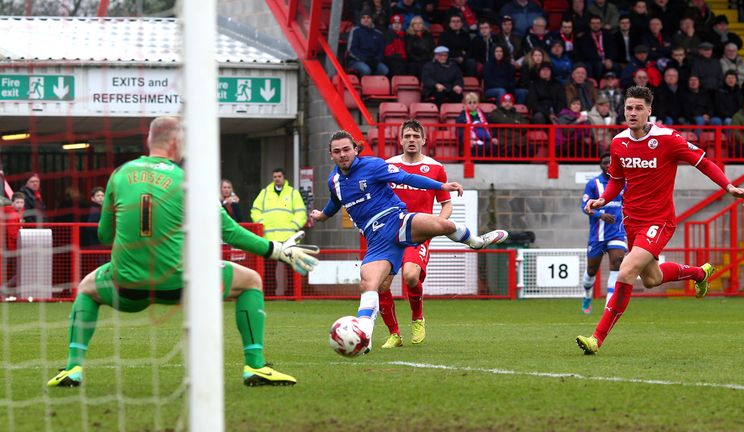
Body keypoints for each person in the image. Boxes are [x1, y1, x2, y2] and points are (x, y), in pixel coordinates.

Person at [47, 117, 320, 388]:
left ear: (148, 141)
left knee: (86, 289)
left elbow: (104, 235)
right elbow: (229, 232)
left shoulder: (119, 175)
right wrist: (276, 250)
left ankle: (72, 369)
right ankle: (255, 366)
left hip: (127, 286)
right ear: (178, 143)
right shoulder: (188, 181)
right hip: (180, 285)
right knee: (251, 281)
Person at [575, 86, 744, 354]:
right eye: (628, 108)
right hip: (631, 221)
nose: (632, 113)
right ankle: (700, 272)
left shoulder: (668, 139)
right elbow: (617, 180)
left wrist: (728, 186)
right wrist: (602, 199)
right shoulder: (619, 142)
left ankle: (596, 338)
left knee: (626, 271)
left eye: (638, 108)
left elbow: (702, 162)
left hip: (659, 220)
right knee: (651, 279)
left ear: (649, 111)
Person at [310, 130, 508, 353]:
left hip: (398, 221)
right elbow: (335, 203)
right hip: (377, 240)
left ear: (355, 149)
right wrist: (322, 216)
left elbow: (405, 177)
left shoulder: (374, 166)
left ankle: (476, 241)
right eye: (337, 151)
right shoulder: (334, 180)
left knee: (442, 226)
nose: (343, 154)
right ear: (331, 155)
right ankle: (365, 336)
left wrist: (440, 186)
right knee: (370, 285)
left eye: (347, 149)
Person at [377, 120, 453, 348]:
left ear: (423, 140)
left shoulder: (435, 168)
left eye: (415, 136)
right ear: (400, 140)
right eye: (407, 136)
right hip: (389, 233)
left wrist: (437, 224)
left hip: (417, 233)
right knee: (381, 284)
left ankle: (417, 317)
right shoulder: (387, 166)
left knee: (410, 276)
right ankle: (394, 334)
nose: (411, 140)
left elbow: (446, 204)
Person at [579, 153, 626, 314]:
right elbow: (584, 206)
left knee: (617, 264)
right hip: (597, 235)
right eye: (605, 163)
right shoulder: (593, 184)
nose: (607, 165)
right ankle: (587, 294)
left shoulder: (623, 183)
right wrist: (601, 215)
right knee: (592, 270)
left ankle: (609, 307)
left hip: (617, 233)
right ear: (600, 165)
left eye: (610, 163)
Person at [250, 168, 307, 296]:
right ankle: (270, 295)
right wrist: (261, 223)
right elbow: (255, 210)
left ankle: (291, 295)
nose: (277, 178)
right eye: (274, 176)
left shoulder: (293, 193)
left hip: (289, 238)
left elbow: (301, 212)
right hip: (270, 238)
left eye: (279, 176)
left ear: (284, 177)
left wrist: (294, 226)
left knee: (290, 268)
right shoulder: (264, 193)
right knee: (270, 270)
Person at [347, 9, 389, 76]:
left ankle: (376, 85)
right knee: (366, 70)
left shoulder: (378, 33)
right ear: (360, 19)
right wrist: (364, 59)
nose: (366, 20)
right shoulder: (355, 30)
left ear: (372, 19)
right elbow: (351, 49)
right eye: (363, 18)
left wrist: (376, 60)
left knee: (384, 70)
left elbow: (381, 51)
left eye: (368, 17)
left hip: (373, 61)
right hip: (356, 60)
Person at [455, 92, 499, 156]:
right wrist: (467, 141)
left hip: (485, 141)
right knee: (478, 149)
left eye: (474, 102)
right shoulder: (461, 118)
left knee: (492, 148)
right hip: (472, 142)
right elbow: (460, 132)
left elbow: (491, 128)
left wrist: (494, 137)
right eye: (470, 102)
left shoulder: (484, 116)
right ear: (465, 104)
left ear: (478, 104)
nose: (472, 104)